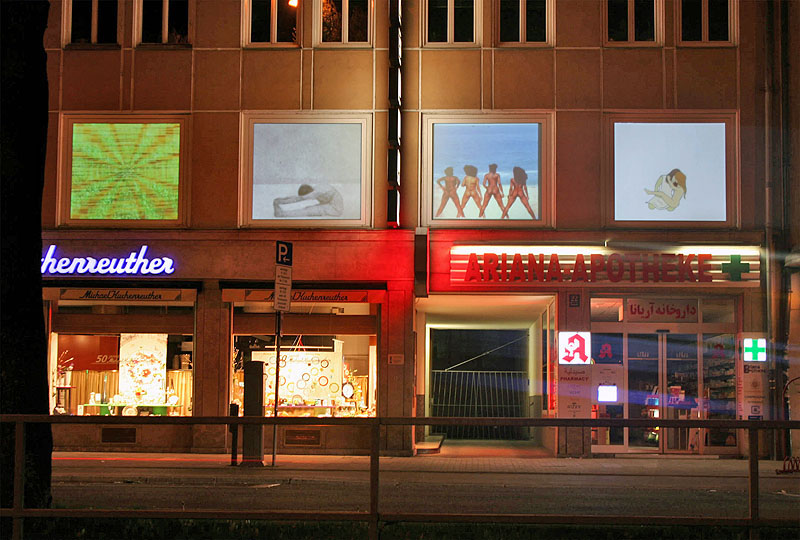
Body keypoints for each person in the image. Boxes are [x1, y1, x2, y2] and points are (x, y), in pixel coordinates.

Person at [273, 184, 344, 217]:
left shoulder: (316, 192)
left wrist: (280, 201)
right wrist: (281, 200)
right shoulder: (316, 188)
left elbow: (298, 199)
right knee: (310, 209)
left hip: (336, 208)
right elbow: (298, 197)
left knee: (308, 210)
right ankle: (282, 213)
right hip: (329, 203)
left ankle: (282, 214)